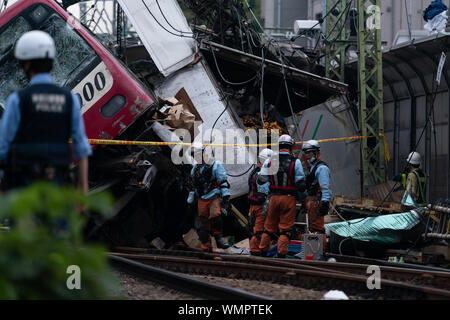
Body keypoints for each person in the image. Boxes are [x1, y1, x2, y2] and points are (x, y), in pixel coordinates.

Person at [0, 31, 92, 193]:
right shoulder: (69, 99)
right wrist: (83, 189)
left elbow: (2, 148)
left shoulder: (17, 100)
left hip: (24, 193)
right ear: (50, 60)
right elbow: (81, 147)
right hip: (57, 189)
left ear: (26, 64)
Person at [258, 134, 306, 258]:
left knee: (268, 227)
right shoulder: (296, 162)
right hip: (289, 198)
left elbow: (261, 179)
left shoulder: (269, 161)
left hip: (273, 198)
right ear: (290, 147)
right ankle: (281, 255)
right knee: (285, 229)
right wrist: (303, 198)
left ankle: (262, 252)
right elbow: (301, 185)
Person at [190, 142, 231, 252]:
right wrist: (191, 199)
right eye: (194, 155)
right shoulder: (194, 170)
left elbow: (222, 180)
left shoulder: (215, 165)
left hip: (214, 196)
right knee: (202, 226)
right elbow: (193, 186)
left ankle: (219, 239)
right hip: (202, 198)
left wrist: (226, 196)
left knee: (215, 217)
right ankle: (206, 248)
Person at [302, 140, 332, 236]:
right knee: (312, 229)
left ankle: (318, 250)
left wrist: (325, 203)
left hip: (317, 203)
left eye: (309, 152)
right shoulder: (313, 167)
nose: (307, 155)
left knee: (317, 229)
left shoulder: (321, 168)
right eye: (305, 153)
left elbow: (325, 187)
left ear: (316, 152)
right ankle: (313, 250)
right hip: (312, 203)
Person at [247, 148, 273, 256]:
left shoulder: (254, 171)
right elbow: (265, 192)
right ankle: (256, 253)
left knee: (254, 230)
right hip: (260, 207)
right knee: (259, 231)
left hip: (252, 205)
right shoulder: (263, 174)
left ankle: (257, 250)